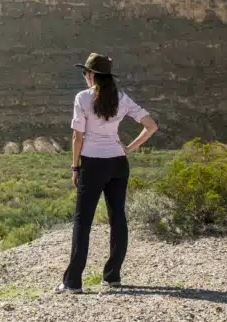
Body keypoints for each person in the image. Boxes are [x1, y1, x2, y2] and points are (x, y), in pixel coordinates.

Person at [54, 53, 158, 294]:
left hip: (92, 165)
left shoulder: (82, 98)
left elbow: (77, 136)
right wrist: (129, 148)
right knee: (118, 218)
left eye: (85, 74)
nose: (84, 78)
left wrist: (75, 166)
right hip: (118, 164)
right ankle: (112, 276)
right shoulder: (121, 98)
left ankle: (72, 282)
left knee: (83, 222)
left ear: (91, 75)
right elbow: (151, 125)